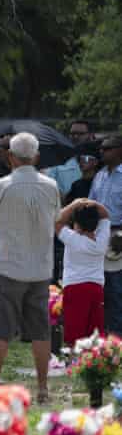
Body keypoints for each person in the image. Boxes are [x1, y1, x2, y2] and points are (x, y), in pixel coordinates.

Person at [0, 132, 62, 404]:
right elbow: (55, 223)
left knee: (0, 327)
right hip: (40, 267)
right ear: (36, 156)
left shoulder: (0, 185)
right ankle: (42, 388)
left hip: (8, 265)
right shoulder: (51, 186)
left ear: (10, 156)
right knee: (41, 329)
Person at [56, 199, 110, 344]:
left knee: (75, 332)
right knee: (95, 332)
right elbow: (106, 215)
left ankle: (74, 363)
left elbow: (57, 221)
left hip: (75, 287)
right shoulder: (101, 241)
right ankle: (93, 363)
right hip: (96, 288)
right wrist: (94, 203)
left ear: (77, 225)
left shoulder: (72, 238)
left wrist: (75, 204)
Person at [89, 135, 122, 335]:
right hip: (99, 233)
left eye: (107, 148)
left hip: (118, 233)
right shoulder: (100, 175)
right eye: (101, 149)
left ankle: (117, 333)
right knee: (103, 285)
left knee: (116, 285)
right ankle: (105, 330)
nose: (102, 152)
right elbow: (90, 203)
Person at [47, 120, 94, 197]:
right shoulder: (58, 162)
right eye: (72, 133)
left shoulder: (101, 160)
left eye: (80, 134)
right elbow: (48, 186)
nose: (75, 137)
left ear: (91, 135)